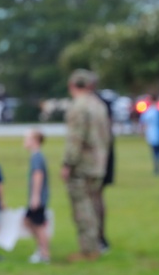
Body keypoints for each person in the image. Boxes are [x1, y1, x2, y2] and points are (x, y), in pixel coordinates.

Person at [60, 69, 110, 262]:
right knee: (93, 204)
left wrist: (67, 164)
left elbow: (75, 139)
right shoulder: (99, 105)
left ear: (72, 85)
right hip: (98, 164)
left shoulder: (78, 107)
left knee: (82, 208)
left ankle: (88, 250)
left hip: (82, 165)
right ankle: (95, 244)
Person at [23, 129, 50, 264]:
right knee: (28, 221)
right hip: (37, 197)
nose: (24, 141)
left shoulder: (37, 157)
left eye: (27, 139)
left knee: (38, 225)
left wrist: (35, 197)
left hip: (38, 198)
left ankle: (44, 253)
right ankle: (41, 249)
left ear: (35, 141)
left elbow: (38, 176)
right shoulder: (35, 156)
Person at [94, 84, 115, 252]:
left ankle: (97, 239)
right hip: (105, 160)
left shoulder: (93, 105)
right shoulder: (104, 106)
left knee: (94, 200)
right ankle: (100, 237)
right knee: (99, 198)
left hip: (96, 163)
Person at [140, 94, 159, 175]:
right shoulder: (158, 111)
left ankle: (158, 168)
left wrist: (142, 132)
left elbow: (143, 123)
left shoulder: (150, 111)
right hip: (156, 133)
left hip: (154, 133)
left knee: (156, 152)